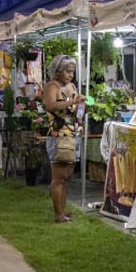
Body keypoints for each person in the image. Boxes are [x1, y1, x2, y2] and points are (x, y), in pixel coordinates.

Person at [43, 55, 85, 223]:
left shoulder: (72, 86)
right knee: (59, 177)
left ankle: (63, 211)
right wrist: (73, 101)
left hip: (74, 134)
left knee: (67, 176)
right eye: (68, 71)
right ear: (58, 71)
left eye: (72, 72)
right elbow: (51, 105)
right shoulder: (51, 86)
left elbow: (77, 112)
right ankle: (59, 214)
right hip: (59, 136)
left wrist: (82, 105)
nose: (71, 75)